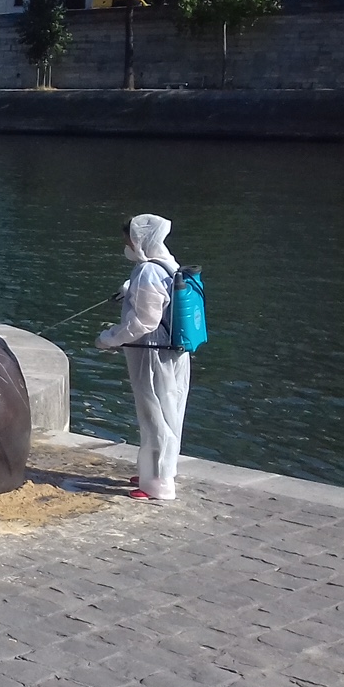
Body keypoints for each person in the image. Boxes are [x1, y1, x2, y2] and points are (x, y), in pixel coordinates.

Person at [95, 214, 190, 501]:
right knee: (169, 409)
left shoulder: (148, 270)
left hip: (151, 352)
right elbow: (159, 296)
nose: (127, 246)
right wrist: (129, 291)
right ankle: (158, 471)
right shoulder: (167, 262)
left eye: (129, 240)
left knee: (154, 413)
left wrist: (110, 338)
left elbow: (144, 322)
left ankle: (158, 484)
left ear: (140, 240)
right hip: (171, 351)